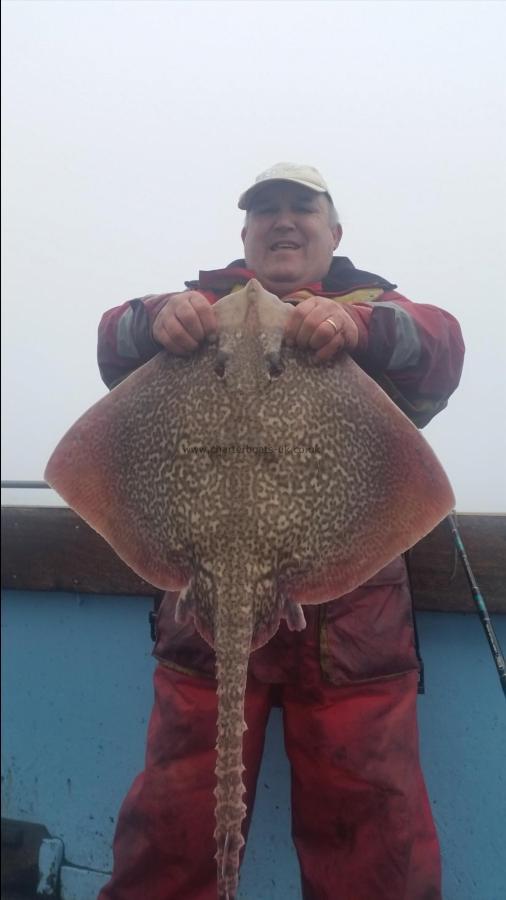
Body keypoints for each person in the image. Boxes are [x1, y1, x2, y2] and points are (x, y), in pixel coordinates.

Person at [97, 162, 465, 900]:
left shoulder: (376, 310)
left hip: (354, 626)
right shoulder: (199, 310)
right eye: (267, 210)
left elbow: (441, 350)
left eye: (303, 206)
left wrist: (356, 325)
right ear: (245, 235)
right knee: (171, 831)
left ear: (335, 233)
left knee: (372, 838)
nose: (284, 220)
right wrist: (154, 317)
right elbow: (113, 342)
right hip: (203, 606)